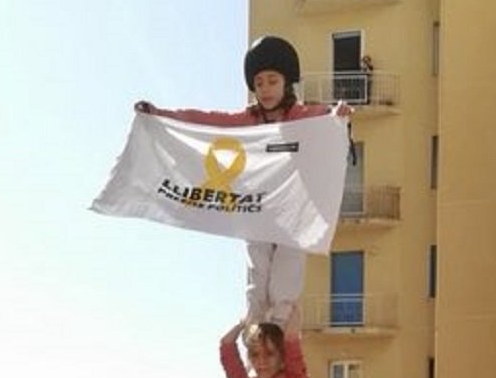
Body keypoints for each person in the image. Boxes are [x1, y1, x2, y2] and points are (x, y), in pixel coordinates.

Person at [139, 34, 346, 322]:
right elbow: (206, 121)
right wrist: (160, 115)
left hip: (293, 211)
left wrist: (338, 114)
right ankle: (254, 340)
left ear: (287, 83)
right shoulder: (247, 121)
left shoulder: (303, 116)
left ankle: (280, 337)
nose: (265, 89)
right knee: (257, 282)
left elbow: (329, 116)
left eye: (272, 81)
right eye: (259, 83)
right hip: (256, 209)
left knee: (284, 284)